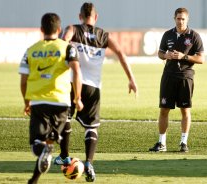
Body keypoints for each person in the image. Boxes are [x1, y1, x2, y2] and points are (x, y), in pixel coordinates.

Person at [53, 2, 138, 182]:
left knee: (65, 118)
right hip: (93, 87)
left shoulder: (72, 29)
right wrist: (131, 79)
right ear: (96, 17)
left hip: (70, 82)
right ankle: (89, 162)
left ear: (80, 16)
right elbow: (121, 53)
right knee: (91, 127)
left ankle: (65, 156)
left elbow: (62, 42)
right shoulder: (104, 35)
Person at [19, 13, 83, 184]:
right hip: (62, 102)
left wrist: (27, 102)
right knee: (50, 140)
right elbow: (77, 72)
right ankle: (54, 139)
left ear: (41, 30)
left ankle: (48, 146)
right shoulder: (68, 48)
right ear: (59, 30)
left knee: (36, 145)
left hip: (39, 102)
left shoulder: (30, 51)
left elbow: (23, 81)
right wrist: (78, 97)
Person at [149, 8, 204, 153]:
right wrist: (165, 55)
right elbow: (160, 53)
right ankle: (162, 143)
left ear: (187, 20)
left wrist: (183, 57)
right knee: (164, 110)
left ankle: (183, 143)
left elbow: (201, 59)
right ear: (174, 18)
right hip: (168, 75)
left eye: (183, 19)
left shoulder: (194, 36)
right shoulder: (168, 35)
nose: (180, 21)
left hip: (186, 77)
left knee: (185, 110)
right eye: (178, 19)